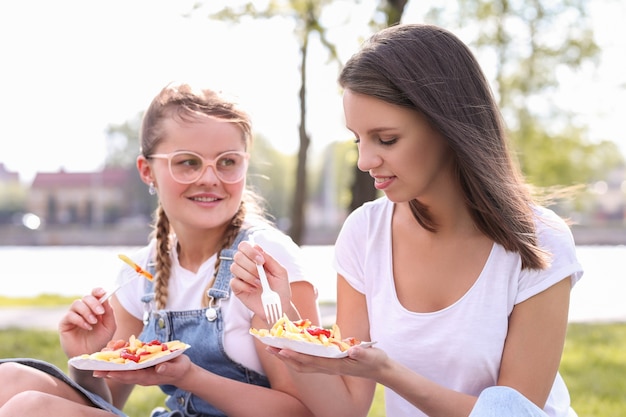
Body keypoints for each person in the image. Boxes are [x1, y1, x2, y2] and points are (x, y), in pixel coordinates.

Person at [230, 23, 583, 417]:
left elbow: (514, 413)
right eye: (357, 139)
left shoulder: (539, 240)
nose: (365, 161)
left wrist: (390, 374)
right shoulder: (364, 234)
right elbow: (344, 409)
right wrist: (280, 318)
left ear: (447, 126)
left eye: (387, 139)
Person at [0, 82, 319, 417]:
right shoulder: (143, 270)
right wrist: (85, 360)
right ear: (146, 171)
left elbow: (304, 411)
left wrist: (190, 376)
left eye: (227, 161)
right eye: (188, 162)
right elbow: (108, 402)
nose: (210, 178)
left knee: (29, 408)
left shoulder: (265, 260)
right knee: (8, 379)